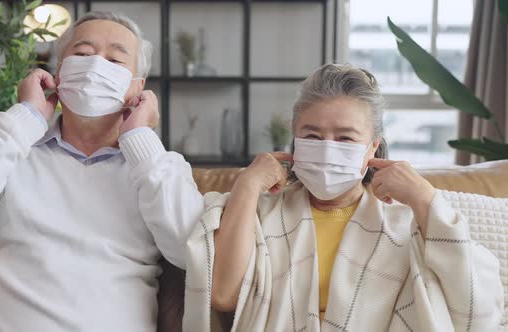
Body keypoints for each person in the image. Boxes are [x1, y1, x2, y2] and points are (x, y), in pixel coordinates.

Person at [0, 11, 204, 331]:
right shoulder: (12, 149)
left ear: (138, 88)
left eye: (115, 60)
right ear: (58, 73)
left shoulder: (158, 167)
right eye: (82, 54)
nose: (96, 65)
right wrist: (25, 118)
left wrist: (139, 140)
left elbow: (191, 253)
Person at [184, 64, 504, 331]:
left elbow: (476, 309)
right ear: (294, 141)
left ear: (372, 149)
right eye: (312, 136)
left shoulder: (408, 224)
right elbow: (224, 297)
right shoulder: (262, 212)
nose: (327, 147)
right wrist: (247, 185)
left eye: (345, 138)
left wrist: (424, 198)